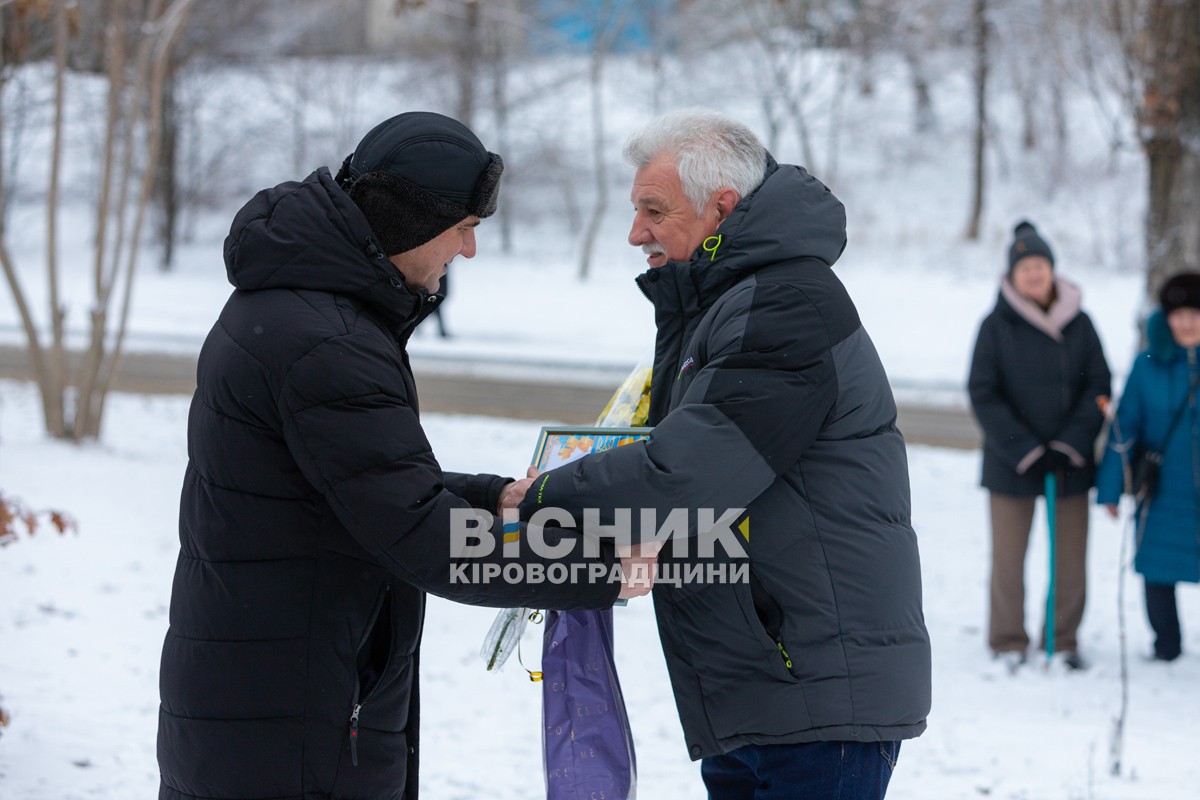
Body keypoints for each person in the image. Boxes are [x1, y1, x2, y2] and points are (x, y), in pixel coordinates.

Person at [156, 111, 648, 800]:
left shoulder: (300, 307)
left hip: (266, 692)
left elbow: (340, 484)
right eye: (465, 229)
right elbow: (422, 536)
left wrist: (488, 496)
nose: (468, 252)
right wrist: (598, 570)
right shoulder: (328, 341)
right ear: (411, 220)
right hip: (296, 716)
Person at [515, 108, 931, 799]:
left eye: (653, 210)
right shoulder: (725, 302)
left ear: (721, 208)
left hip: (809, 694)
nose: (634, 232)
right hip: (763, 687)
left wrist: (541, 498)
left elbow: (687, 476)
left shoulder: (783, 307)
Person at [967, 220, 1111, 672]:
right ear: (1012, 274)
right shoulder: (995, 326)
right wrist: (1027, 449)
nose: (1034, 273)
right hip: (1012, 463)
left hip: (1070, 463)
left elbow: (1100, 387)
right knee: (1009, 561)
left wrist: (1069, 445)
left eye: (1040, 265)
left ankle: (1063, 638)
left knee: (1071, 560)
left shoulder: (1080, 323)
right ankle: (1008, 640)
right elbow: (983, 392)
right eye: (1025, 266)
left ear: (1052, 269)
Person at [1096, 272, 1200, 662]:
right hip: (1163, 487)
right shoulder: (1148, 364)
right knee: (1158, 566)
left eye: (1195, 312)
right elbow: (1126, 429)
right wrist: (1110, 488)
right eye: (1179, 313)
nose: (1187, 322)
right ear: (1167, 318)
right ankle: (1166, 645)